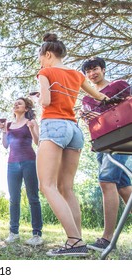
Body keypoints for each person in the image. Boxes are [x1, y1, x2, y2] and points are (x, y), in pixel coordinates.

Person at [35, 33, 109, 257]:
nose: (40, 62)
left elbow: (46, 102)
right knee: (66, 187)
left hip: (54, 125)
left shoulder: (45, 72)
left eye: (40, 57)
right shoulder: (77, 74)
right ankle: (78, 241)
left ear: (48, 54)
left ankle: (74, 241)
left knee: (46, 186)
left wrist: (39, 95)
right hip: (74, 130)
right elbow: (100, 96)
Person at [81, 57, 132, 252]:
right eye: (88, 72)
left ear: (103, 69)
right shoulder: (87, 98)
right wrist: (86, 116)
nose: (92, 74)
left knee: (106, 181)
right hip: (101, 142)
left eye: (95, 69)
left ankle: (107, 239)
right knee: (124, 187)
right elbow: (91, 121)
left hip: (121, 137)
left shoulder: (120, 85)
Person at [0, 97, 43, 246]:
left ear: (26, 109)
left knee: (33, 198)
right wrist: (3, 131)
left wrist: (31, 129)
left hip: (29, 161)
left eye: (20, 103)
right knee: (14, 199)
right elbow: (5, 145)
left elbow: (38, 142)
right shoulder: (9, 125)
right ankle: (14, 233)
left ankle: (37, 234)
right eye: (15, 102)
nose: (16, 104)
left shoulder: (31, 122)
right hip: (12, 164)